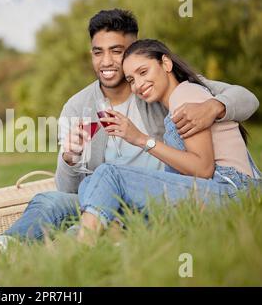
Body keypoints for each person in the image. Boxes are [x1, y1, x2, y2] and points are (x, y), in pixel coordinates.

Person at [0, 9, 259, 260]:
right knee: (49, 201)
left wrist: (216, 106)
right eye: (97, 52)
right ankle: (0, 248)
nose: (106, 62)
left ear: (134, 50)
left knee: (103, 186)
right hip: (105, 199)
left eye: (117, 51)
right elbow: (68, 188)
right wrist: (69, 158)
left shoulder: (158, 85)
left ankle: (72, 246)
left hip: (163, 195)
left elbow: (247, 98)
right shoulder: (78, 106)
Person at [75, 38, 261, 244]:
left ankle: (85, 245)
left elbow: (204, 168)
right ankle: (113, 234)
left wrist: (141, 139)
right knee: (90, 183)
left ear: (166, 64)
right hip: (211, 193)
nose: (138, 85)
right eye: (131, 80)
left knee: (109, 173)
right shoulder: (175, 101)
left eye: (143, 72)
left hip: (231, 192)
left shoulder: (184, 94)